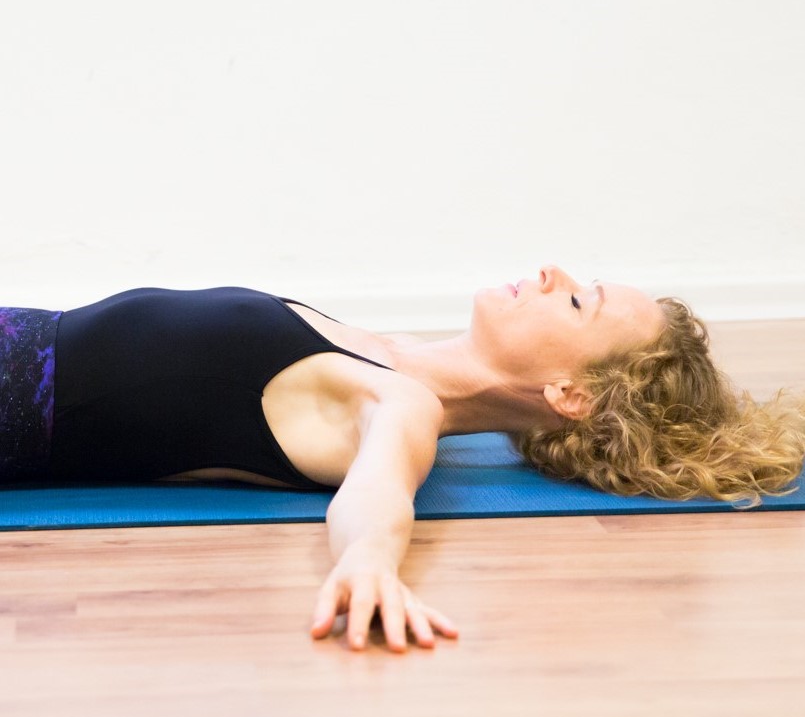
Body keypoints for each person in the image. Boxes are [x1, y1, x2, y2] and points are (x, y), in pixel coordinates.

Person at [1, 266, 803, 652]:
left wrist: (370, 561)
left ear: (570, 393)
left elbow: (381, 486)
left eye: (574, 301)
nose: (552, 273)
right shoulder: (390, 352)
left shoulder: (403, 403)